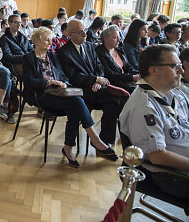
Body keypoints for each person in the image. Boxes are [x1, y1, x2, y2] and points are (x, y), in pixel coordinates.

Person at [23, 27, 117, 167]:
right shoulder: (29, 58)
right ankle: (93, 140)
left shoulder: (53, 56)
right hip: (42, 95)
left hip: (59, 93)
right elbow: (29, 82)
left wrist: (64, 84)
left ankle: (69, 147)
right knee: (76, 102)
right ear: (36, 41)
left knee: (75, 108)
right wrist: (49, 82)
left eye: (51, 40)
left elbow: (63, 76)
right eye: (46, 40)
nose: (50, 43)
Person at [120, 45, 189, 200]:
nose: (181, 71)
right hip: (170, 174)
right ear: (154, 70)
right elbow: (158, 156)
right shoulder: (144, 106)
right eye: (174, 66)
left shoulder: (175, 94)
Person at [58, 20, 127, 145]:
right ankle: (104, 142)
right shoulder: (64, 52)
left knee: (116, 101)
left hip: (98, 88)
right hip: (82, 90)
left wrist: (99, 80)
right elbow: (73, 77)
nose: (85, 34)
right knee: (116, 99)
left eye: (85, 30)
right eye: (80, 32)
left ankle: (105, 141)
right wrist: (94, 79)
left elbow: (99, 67)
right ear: (70, 34)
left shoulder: (90, 46)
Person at [96, 26, 140, 93]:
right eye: (115, 38)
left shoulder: (119, 50)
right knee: (139, 91)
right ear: (106, 39)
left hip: (125, 80)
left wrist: (138, 73)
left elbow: (128, 66)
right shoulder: (100, 52)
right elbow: (109, 74)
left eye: (119, 37)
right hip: (114, 83)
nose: (119, 40)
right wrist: (132, 77)